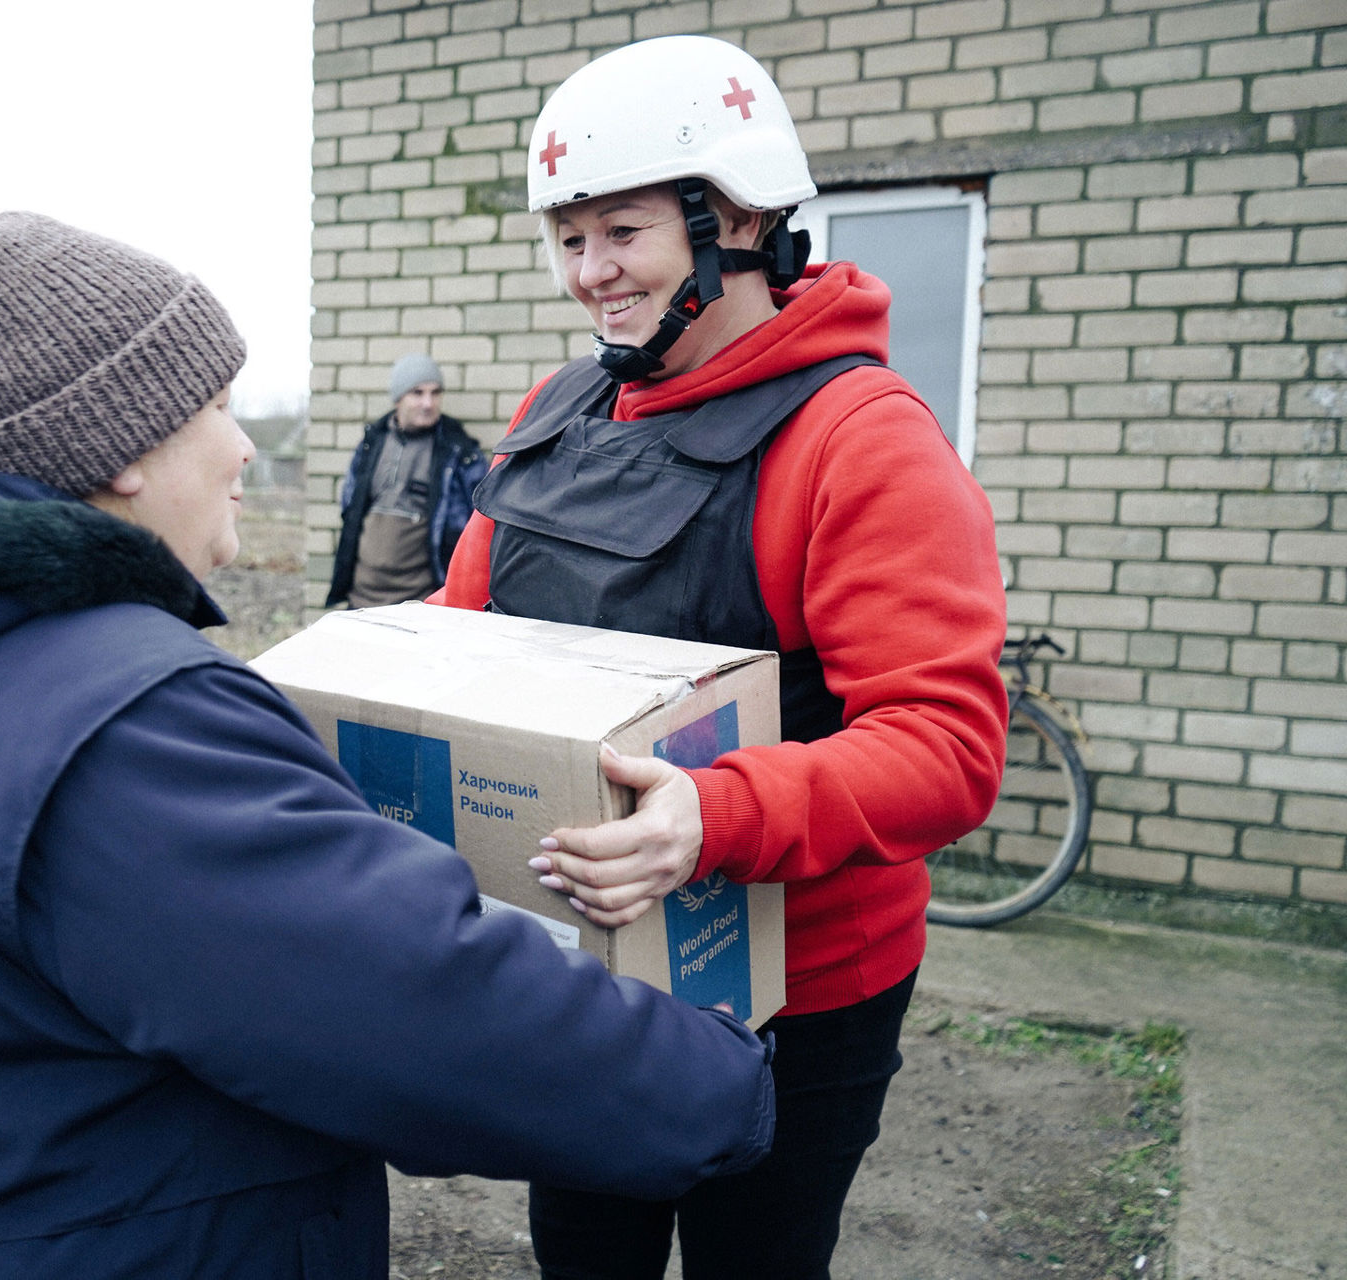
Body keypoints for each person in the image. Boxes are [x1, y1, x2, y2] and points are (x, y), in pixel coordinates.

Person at [0, 212, 778, 1279]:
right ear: (123, 450)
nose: (244, 449)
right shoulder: (126, 724)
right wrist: (717, 1083)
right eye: (218, 408)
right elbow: (414, 1006)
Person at [431, 36, 1011, 1280]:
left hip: (800, 995)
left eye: (622, 232)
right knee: (585, 1249)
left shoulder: (862, 439)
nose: (591, 273)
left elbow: (946, 750)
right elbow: (455, 634)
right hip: (590, 964)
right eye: (568, 237)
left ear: (735, 218)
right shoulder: (558, 414)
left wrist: (714, 813)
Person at [325, 353, 487, 608]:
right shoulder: (372, 443)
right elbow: (349, 507)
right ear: (398, 397)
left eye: (435, 393)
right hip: (362, 599)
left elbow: (478, 527)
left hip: (420, 604)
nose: (428, 403)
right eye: (417, 393)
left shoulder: (459, 452)